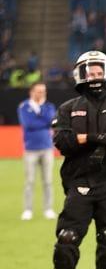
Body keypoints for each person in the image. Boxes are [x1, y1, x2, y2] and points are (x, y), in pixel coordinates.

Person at [45, 51, 106, 269]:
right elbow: (63, 143)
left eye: (98, 71)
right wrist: (95, 138)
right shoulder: (68, 107)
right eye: (90, 72)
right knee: (66, 239)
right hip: (79, 183)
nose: (95, 77)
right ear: (80, 75)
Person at [17, 82, 57, 220]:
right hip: (30, 149)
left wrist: (40, 113)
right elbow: (28, 124)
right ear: (31, 92)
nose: (41, 94)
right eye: (38, 91)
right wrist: (42, 120)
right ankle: (28, 210)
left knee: (48, 181)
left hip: (47, 148)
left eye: (43, 91)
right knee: (29, 181)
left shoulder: (49, 106)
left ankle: (48, 209)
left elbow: (51, 121)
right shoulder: (24, 107)